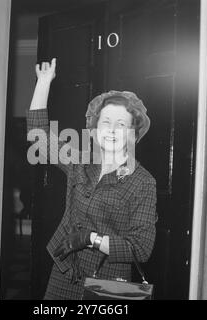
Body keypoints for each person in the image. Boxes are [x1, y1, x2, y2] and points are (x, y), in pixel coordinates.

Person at [27, 58, 157, 300]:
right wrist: (43, 83)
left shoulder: (142, 182)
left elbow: (141, 248)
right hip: (66, 271)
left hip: (108, 283)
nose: (111, 129)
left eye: (121, 124)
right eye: (105, 122)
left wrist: (91, 239)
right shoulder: (80, 163)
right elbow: (38, 137)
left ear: (132, 133)